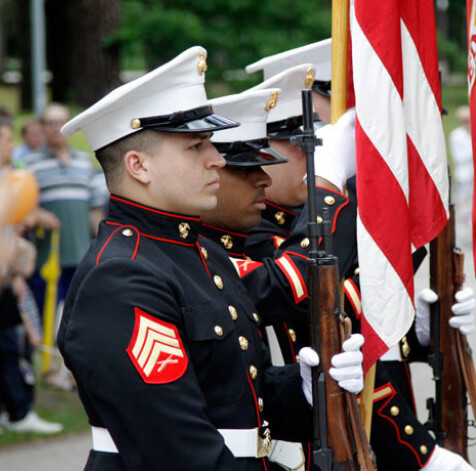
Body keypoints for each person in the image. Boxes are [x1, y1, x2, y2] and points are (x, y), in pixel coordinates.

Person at [56, 46, 364, 471]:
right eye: (196, 146)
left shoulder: (200, 254)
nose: (217, 158)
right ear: (138, 166)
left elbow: (234, 397)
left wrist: (306, 388)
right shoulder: (121, 277)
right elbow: (178, 450)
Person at [240, 61, 476, 470]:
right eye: (300, 144)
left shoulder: (322, 222)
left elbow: (361, 334)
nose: (313, 155)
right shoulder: (257, 239)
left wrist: (416, 333)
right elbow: (306, 312)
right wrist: (418, 452)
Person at [23, 103, 107, 318]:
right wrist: (39, 214)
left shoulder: (84, 162)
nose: (55, 128)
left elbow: (95, 210)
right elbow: (22, 209)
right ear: (42, 127)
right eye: (50, 123)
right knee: (46, 321)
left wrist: (103, 247)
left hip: (81, 259)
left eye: (60, 122)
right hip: (46, 262)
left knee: (79, 320)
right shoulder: (30, 164)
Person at [448, 106, 474, 246]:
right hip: (463, 174)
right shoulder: (456, 135)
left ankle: (471, 232)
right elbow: (459, 156)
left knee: (473, 204)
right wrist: (473, 153)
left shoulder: (474, 133)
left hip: (473, 174)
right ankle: (464, 234)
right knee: (464, 204)